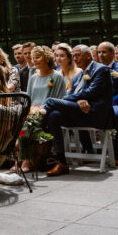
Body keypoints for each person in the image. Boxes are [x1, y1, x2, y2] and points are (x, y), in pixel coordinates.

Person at [41, 44, 113, 176]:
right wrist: (78, 99)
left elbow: (92, 92)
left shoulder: (101, 69)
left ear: (88, 55)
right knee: (54, 115)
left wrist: (73, 98)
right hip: (80, 112)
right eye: (73, 56)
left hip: (95, 113)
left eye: (77, 55)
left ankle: (38, 136)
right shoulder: (78, 76)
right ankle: (61, 162)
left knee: (50, 101)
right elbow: (78, 94)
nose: (75, 58)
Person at [96, 41, 118, 165]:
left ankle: (116, 154)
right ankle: (88, 150)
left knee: (112, 113)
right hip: (99, 104)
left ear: (112, 53)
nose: (101, 55)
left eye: (104, 52)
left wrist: (107, 103)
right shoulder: (95, 69)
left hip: (117, 104)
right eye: (99, 52)